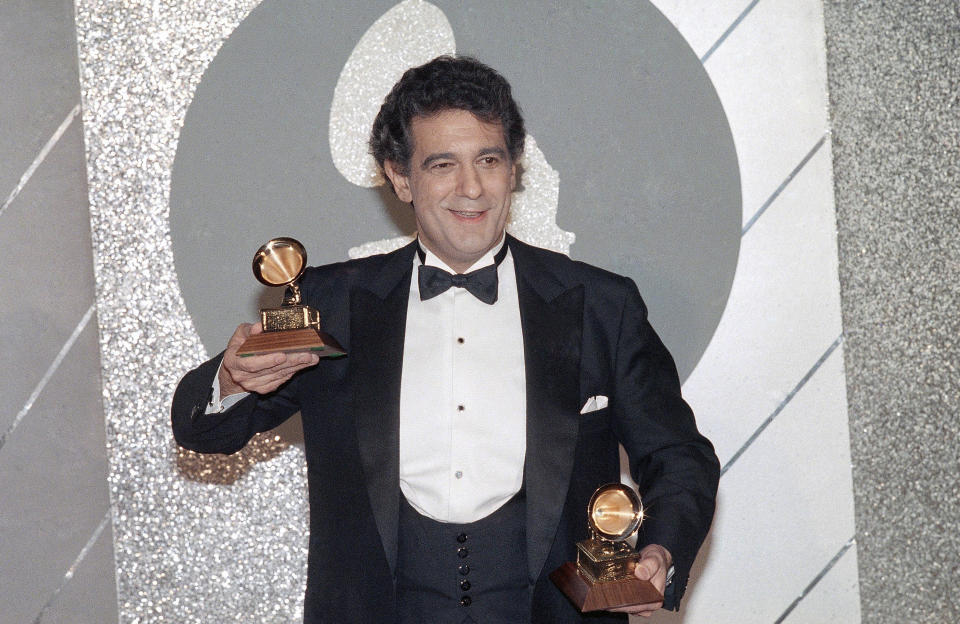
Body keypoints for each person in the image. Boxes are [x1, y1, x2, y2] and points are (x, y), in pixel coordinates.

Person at [172, 55, 719, 623]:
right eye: (442, 165)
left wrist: (659, 550)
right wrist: (232, 380)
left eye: (489, 159)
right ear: (401, 177)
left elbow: (679, 457)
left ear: (514, 169)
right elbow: (201, 429)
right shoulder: (331, 305)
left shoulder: (601, 304)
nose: (472, 188)